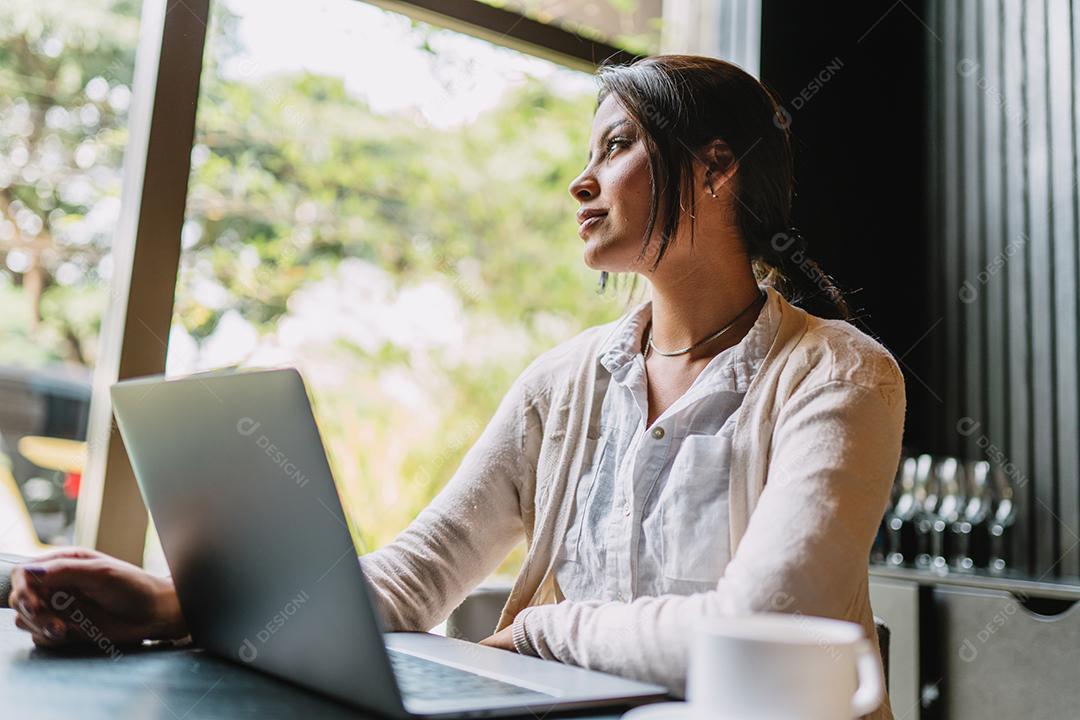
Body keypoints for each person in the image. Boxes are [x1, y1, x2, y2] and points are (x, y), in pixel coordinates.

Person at [7, 55, 904, 719]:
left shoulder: (840, 374)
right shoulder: (562, 383)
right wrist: (176, 604)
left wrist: (549, 629)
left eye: (620, 144)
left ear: (716, 167)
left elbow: (768, 622)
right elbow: (416, 574)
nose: (579, 180)